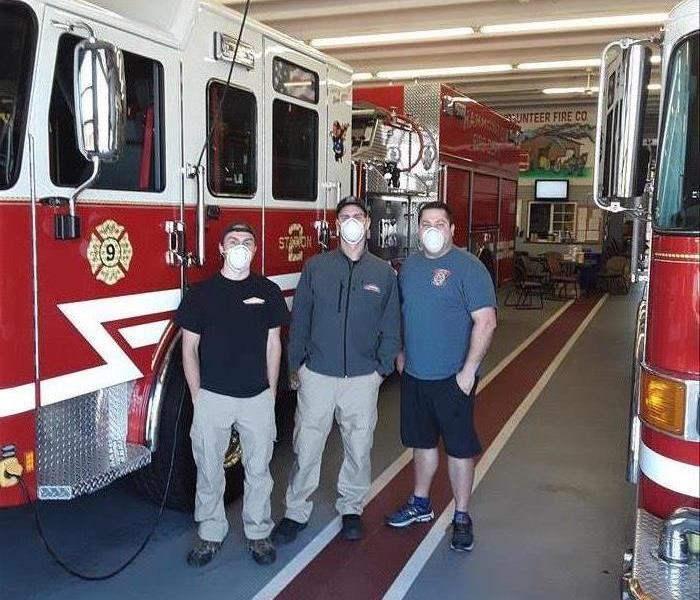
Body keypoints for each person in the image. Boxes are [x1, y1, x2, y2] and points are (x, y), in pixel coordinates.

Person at [273, 197, 401, 543]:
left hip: (362, 378)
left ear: (369, 224)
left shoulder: (383, 273)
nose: (351, 222)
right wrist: (295, 364)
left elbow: (392, 324)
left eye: (357, 217)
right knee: (306, 446)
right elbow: (300, 319)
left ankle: (352, 508)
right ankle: (296, 511)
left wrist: (382, 368)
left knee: (359, 446)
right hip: (317, 375)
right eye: (344, 217)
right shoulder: (316, 267)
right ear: (336, 225)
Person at [175, 222, 289, 567]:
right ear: (222, 249)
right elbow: (189, 349)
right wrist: (198, 396)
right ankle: (210, 534)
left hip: (257, 397)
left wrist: (270, 393)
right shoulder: (200, 294)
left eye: (248, 242)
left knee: (259, 471)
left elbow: (274, 345)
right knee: (209, 470)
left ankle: (258, 533)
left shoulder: (267, 291)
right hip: (212, 398)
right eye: (234, 241)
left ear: (255, 250)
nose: (241, 247)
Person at [386, 201, 497, 553]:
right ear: (418, 229)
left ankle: (462, 516)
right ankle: (420, 503)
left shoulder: (469, 267)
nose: (432, 228)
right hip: (416, 376)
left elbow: (486, 321)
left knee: (460, 450)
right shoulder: (410, 267)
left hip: (453, 379)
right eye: (425, 223)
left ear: (451, 229)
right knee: (422, 444)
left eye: (439, 223)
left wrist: (467, 373)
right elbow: (405, 312)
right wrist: (402, 351)